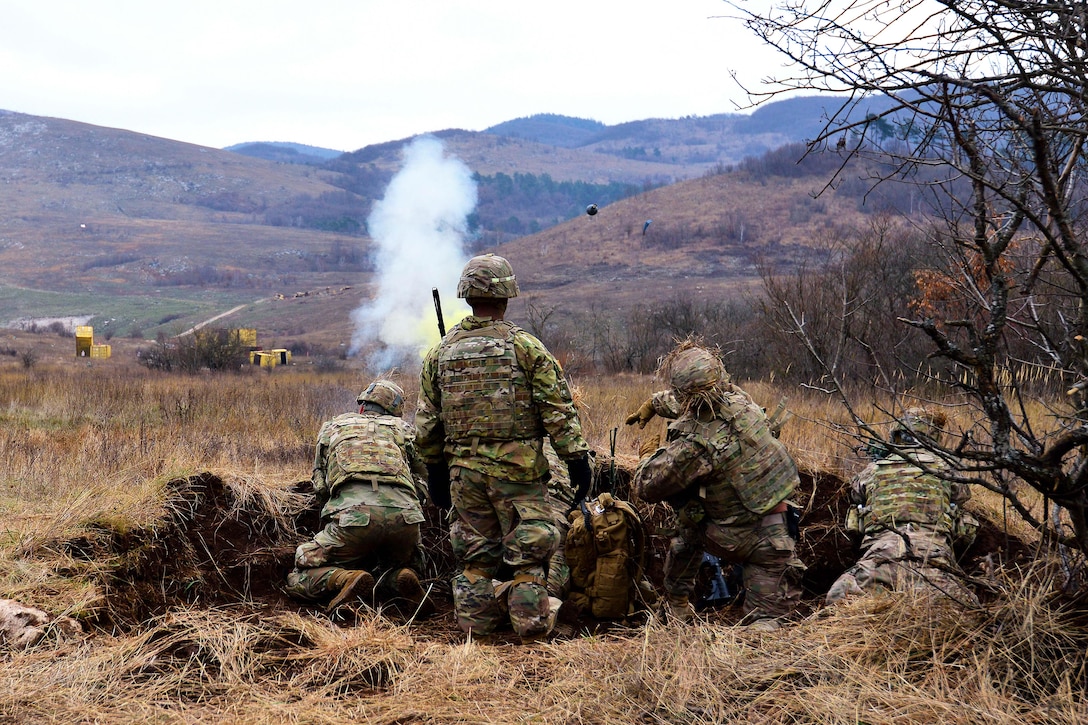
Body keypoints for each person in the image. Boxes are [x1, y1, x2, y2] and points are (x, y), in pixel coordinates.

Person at [416, 253, 593, 642]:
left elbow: (428, 424)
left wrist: (436, 472)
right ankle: (530, 628)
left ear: (466, 295)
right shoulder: (526, 347)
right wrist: (576, 459)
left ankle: (477, 630)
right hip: (519, 473)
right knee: (528, 557)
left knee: (475, 558)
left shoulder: (440, 353)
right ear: (507, 294)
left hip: (464, 474)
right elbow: (557, 410)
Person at [631, 342, 806, 629]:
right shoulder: (742, 402)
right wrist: (654, 403)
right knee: (767, 626)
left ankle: (677, 606)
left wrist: (645, 456)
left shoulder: (693, 447)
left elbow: (646, 486)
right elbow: (695, 401)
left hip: (730, 538)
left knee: (688, 522)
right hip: (777, 536)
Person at [285, 379, 432, 615]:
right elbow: (423, 482)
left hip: (354, 518)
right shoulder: (405, 429)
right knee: (400, 565)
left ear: (362, 405)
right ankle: (398, 578)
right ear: (395, 411)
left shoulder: (333, 426)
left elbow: (320, 486)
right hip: (405, 520)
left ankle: (345, 579)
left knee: (300, 571)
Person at [825, 408, 979, 606]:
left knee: (838, 598)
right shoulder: (945, 467)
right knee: (967, 606)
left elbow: (855, 492)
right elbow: (962, 495)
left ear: (896, 435)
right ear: (933, 437)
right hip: (932, 558)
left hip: (882, 556)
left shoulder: (875, 469)